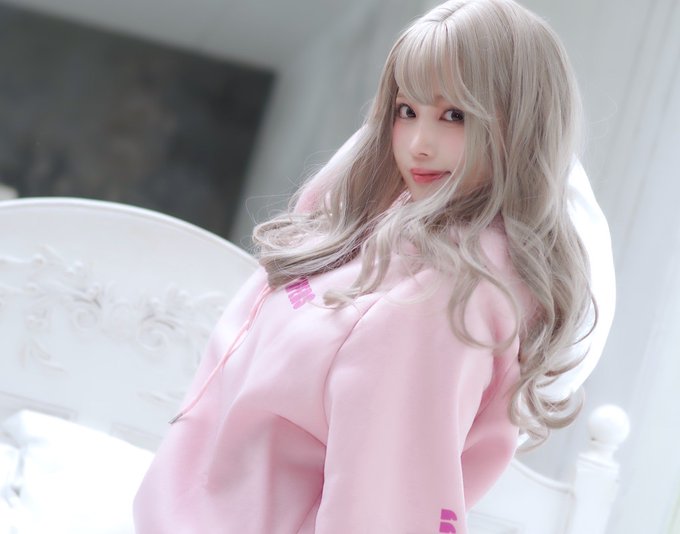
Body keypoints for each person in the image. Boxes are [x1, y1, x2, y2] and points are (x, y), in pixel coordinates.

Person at [133, 0, 615, 532]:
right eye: (407, 111)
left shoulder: (447, 295)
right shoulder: (387, 226)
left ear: (520, 122)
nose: (419, 145)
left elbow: (380, 507)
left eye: (455, 115)